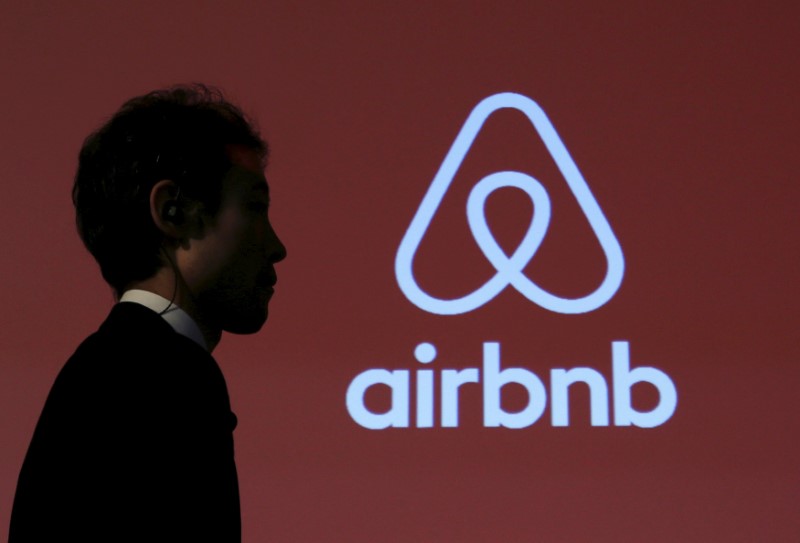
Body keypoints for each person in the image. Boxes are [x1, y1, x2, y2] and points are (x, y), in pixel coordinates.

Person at [9, 84, 286, 542]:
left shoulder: (107, 367)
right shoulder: (165, 375)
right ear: (172, 212)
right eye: (255, 208)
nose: (277, 247)